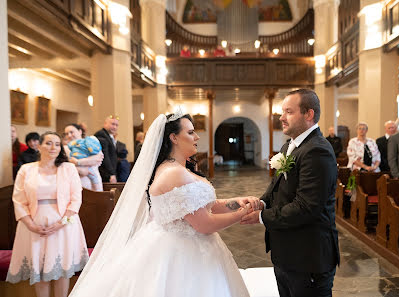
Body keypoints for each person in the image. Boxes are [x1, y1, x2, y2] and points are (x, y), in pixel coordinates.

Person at [69, 112, 260, 297]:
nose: (197, 136)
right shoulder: (174, 174)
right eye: (190, 132)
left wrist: (236, 202)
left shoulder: (177, 168)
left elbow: (204, 205)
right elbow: (204, 224)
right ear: (174, 138)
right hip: (181, 254)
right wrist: (242, 213)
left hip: (193, 246)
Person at [240, 89, 340, 297]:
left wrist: (260, 216)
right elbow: (276, 188)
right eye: (282, 112)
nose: (281, 117)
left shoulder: (317, 150)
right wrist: (261, 202)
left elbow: (306, 207)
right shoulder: (290, 146)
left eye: (288, 112)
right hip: (287, 252)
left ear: (308, 114)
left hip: (308, 255)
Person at [6, 132, 88, 297]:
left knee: (62, 270)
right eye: (49, 143)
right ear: (40, 146)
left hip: (64, 224)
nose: (54, 147)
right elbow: (19, 200)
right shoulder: (26, 169)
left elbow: (76, 199)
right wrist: (30, 224)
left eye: (57, 144)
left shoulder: (68, 168)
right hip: (33, 224)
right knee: (40, 270)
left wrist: (61, 222)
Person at [64, 124, 104, 191]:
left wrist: (78, 162)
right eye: (66, 134)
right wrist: (83, 167)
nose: (69, 135)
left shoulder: (90, 141)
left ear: (80, 131)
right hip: (76, 184)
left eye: (71, 132)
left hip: (94, 182)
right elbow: (67, 167)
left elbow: (98, 158)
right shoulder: (66, 148)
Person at [95, 116, 119, 183]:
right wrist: (111, 173)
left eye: (116, 125)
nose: (115, 127)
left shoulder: (109, 136)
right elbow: (105, 156)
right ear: (105, 124)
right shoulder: (101, 135)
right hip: (105, 174)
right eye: (112, 124)